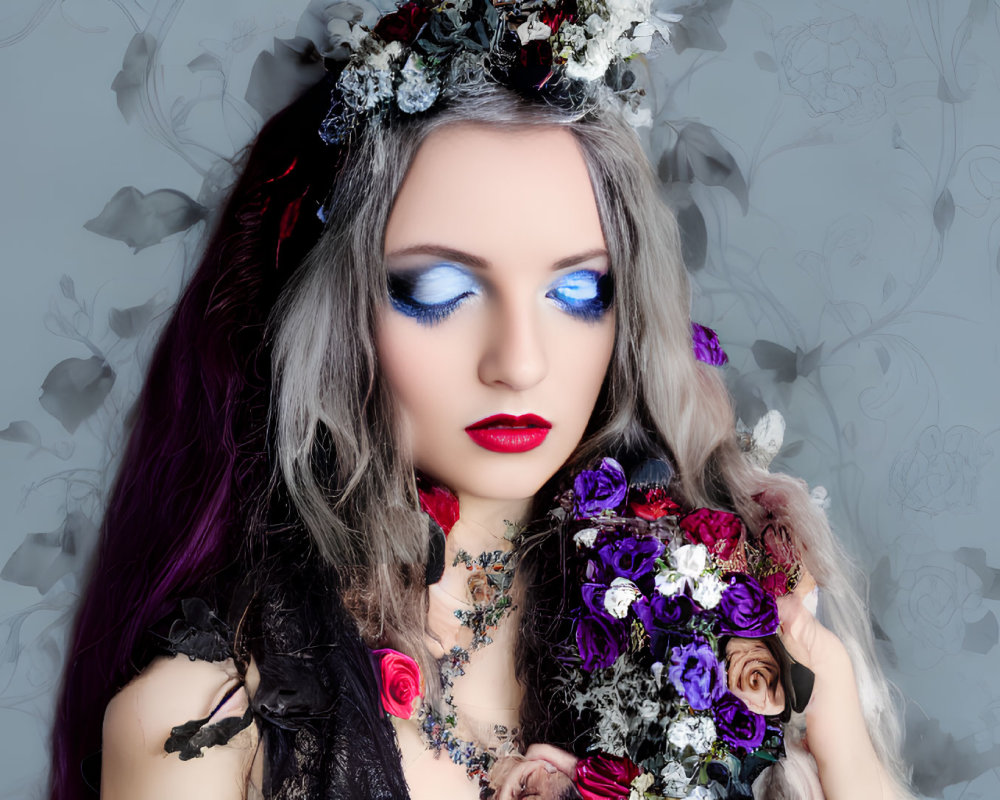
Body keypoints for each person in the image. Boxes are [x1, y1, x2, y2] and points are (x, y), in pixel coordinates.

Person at [50, 1, 913, 798]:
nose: (520, 362)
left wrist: (829, 714)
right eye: (436, 289)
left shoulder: (721, 659)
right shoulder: (207, 726)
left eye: (578, 295)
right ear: (329, 316)